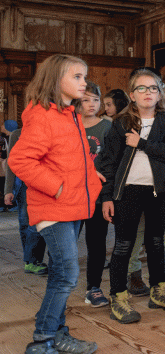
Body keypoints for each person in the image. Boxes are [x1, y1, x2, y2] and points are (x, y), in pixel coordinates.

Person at [9, 54, 102, 354]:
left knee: (63, 272)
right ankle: (42, 340)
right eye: (76, 76)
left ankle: (57, 332)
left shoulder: (69, 114)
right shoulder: (42, 115)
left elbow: (66, 157)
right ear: (54, 80)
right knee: (67, 275)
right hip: (54, 206)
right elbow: (20, 160)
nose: (83, 82)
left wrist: (92, 176)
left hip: (72, 203)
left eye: (84, 76)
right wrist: (57, 186)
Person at [98, 68, 165, 324]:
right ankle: (118, 298)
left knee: (157, 243)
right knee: (124, 245)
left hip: (158, 191)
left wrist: (143, 144)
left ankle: (158, 292)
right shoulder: (121, 124)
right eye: (141, 89)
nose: (148, 93)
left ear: (159, 93)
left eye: (153, 88)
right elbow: (108, 163)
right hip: (128, 191)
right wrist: (106, 197)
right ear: (132, 95)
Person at [80, 81, 113, 308]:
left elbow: (111, 163)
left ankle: (94, 287)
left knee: (96, 243)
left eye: (95, 100)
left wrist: (108, 196)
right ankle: (60, 287)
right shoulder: (70, 125)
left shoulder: (107, 127)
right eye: (85, 99)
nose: (91, 104)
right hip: (71, 195)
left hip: (98, 195)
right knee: (65, 245)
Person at [5, 127, 48, 276]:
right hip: (23, 184)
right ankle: (30, 261)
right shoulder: (17, 134)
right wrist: (8, 190)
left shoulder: (47, 131)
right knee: (25, 223)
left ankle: (33, 260)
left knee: (38, 223)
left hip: (43, 182)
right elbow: (11, 163)